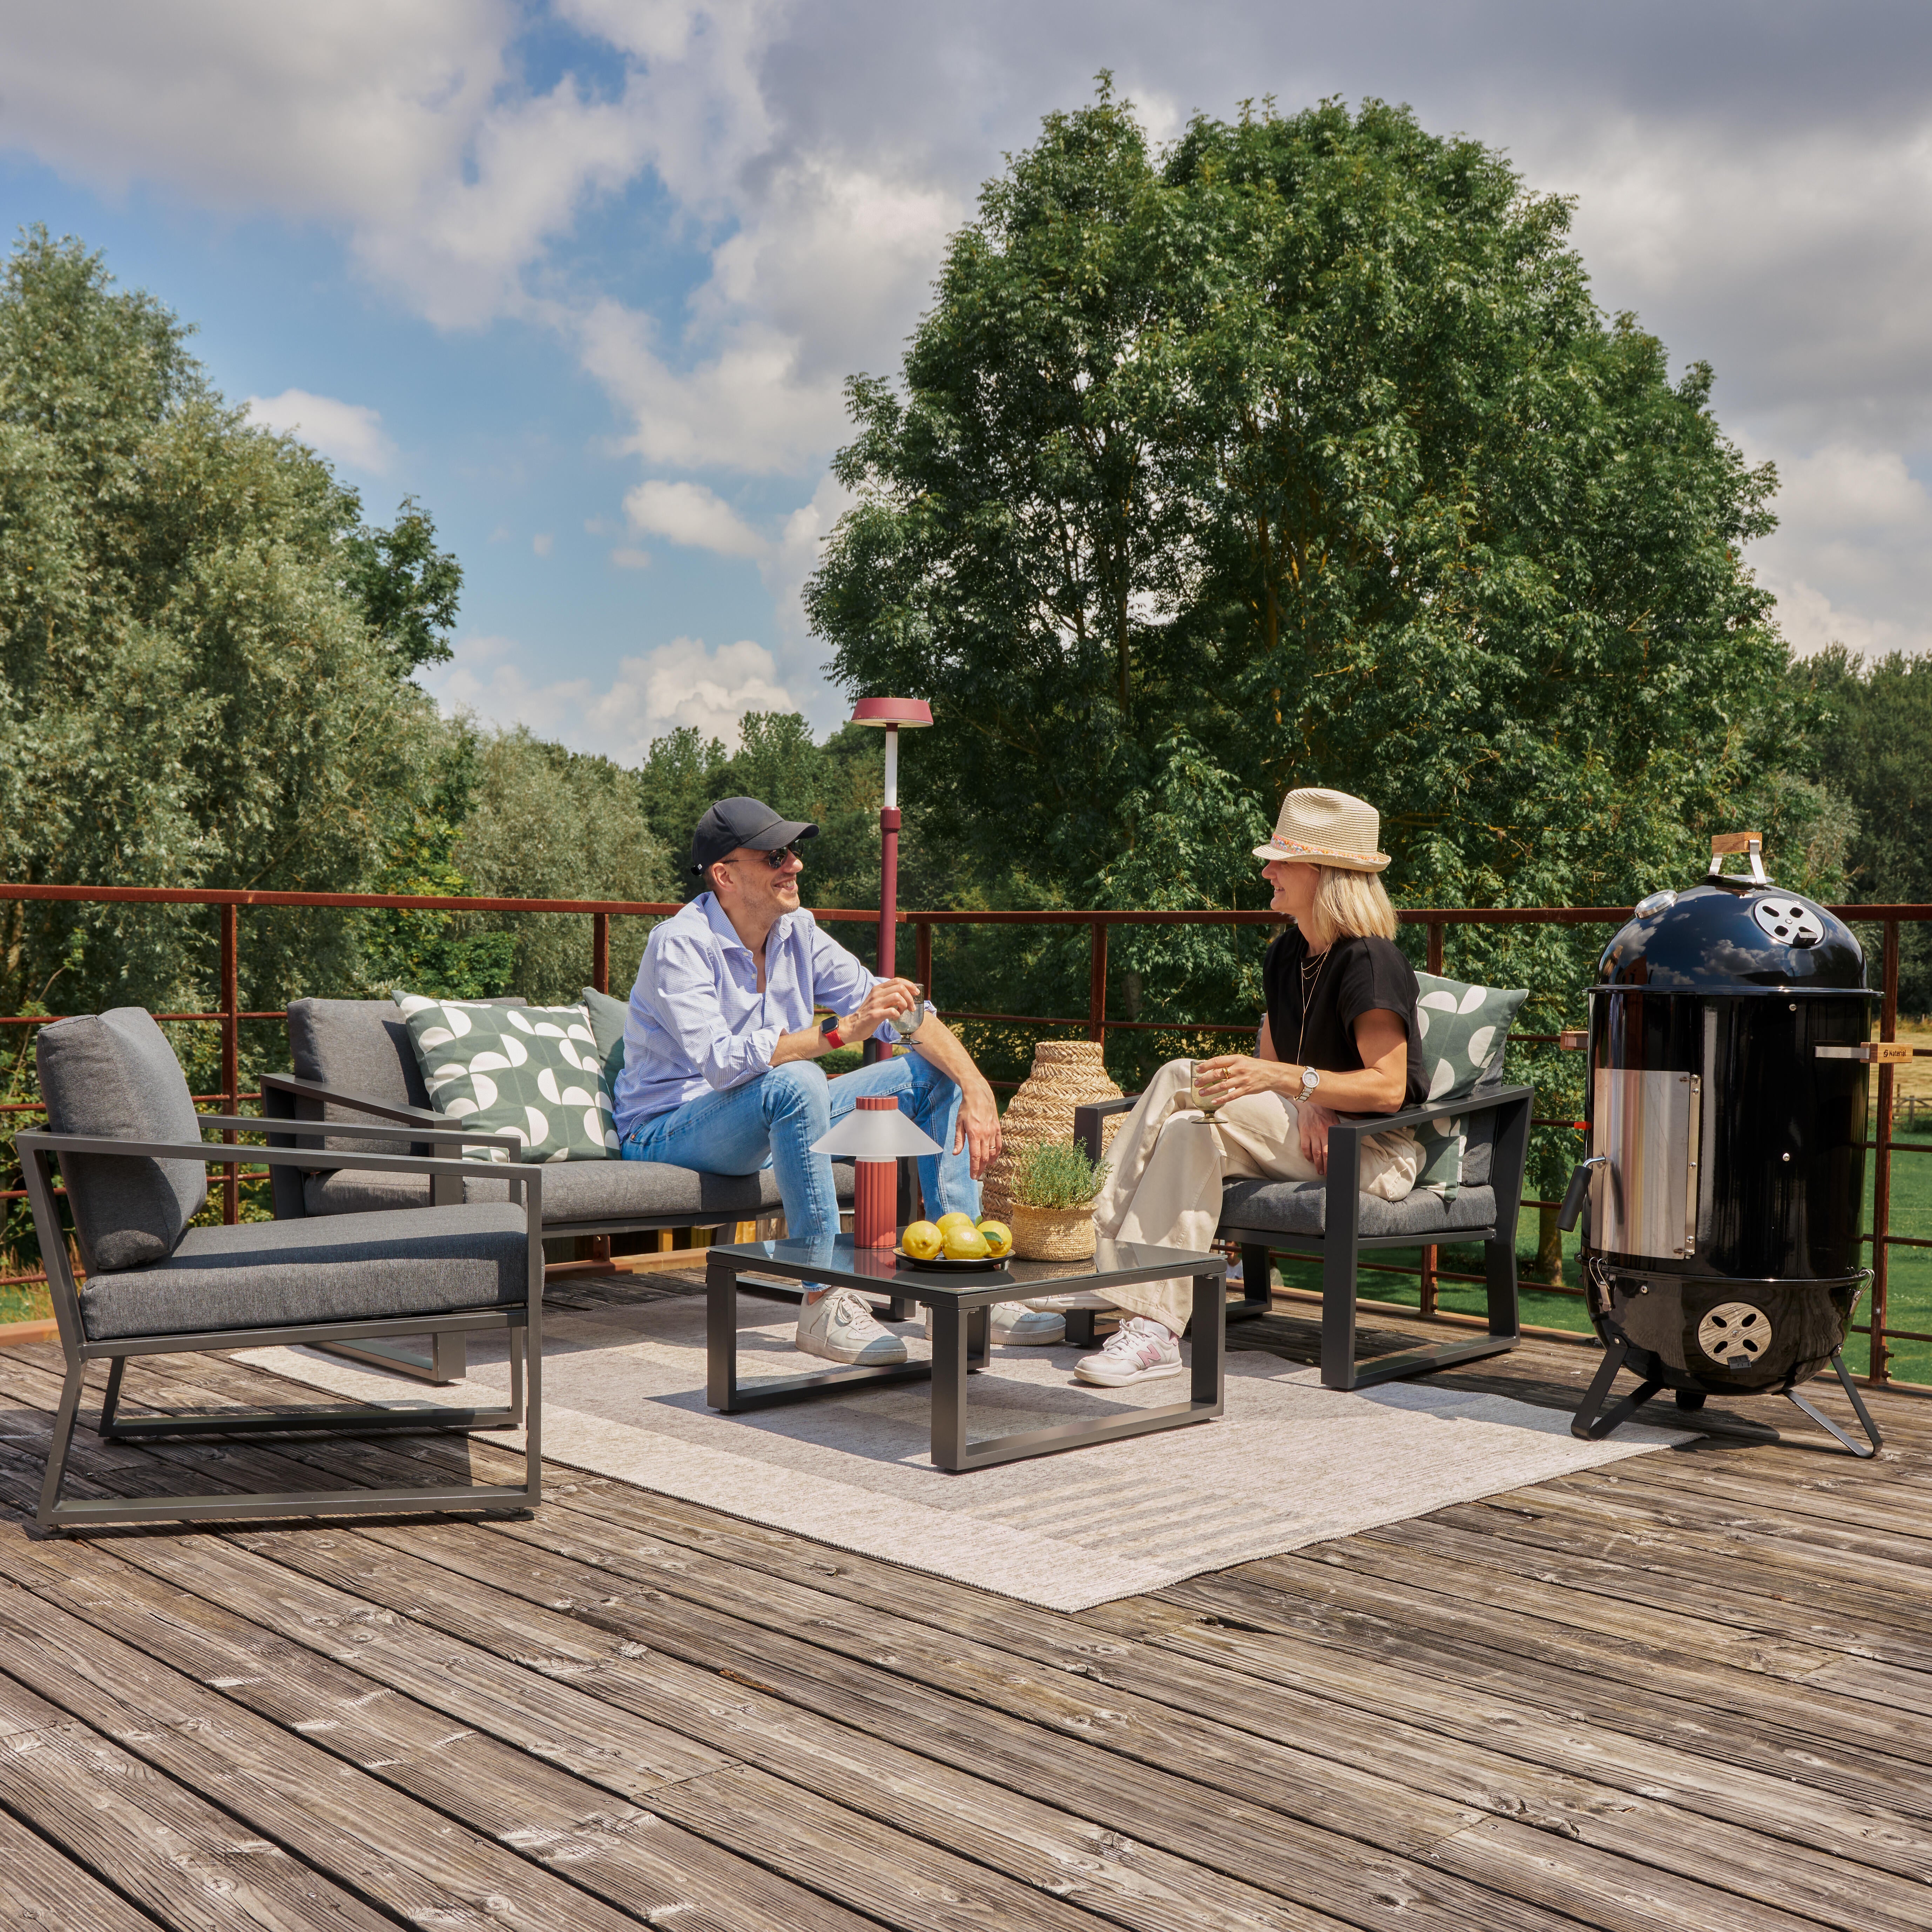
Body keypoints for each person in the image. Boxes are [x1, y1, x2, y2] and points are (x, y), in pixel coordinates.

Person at [613, 795, 1060, 1364]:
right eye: (775, 855)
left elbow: (901, 1013)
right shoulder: (679, 942)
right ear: (724, 874)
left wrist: (975, 1085)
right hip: (670, 1130)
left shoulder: (798, 930)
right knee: (799, 1080)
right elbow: (724, 1064)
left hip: (767, 1116)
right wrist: (840, 1031)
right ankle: (823, 1298)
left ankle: (961, 1280)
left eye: (794, 851)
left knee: (931, 1071)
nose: (794, 864)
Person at [1033, 787, 1425, 1387]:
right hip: (1305, 1133)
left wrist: (1304, 1088)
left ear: (1324, 874)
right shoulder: (1288, 952)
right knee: (1191, 1132)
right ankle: (1156, 1331)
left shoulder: (1370, 961)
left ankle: (1088, 1260)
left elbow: (1388, 1089)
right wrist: (1304, 1095)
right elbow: (1278, 1061)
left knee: (1173, 1077)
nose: (1266, 869)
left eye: (1279, 860)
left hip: (1370, 1151)